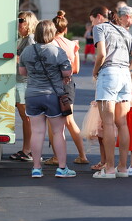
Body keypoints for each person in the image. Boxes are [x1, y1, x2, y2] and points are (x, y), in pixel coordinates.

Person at [18, 20, 76, 178]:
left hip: (32, 95)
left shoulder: (27, 51)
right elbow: (67, 72)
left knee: (37, 132)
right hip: (52, 95)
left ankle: (36, 168)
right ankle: (62, 168)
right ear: (52, 33)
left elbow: (22, 72)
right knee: (58, 132)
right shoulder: (57, 51)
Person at [90, 6, 132, 179]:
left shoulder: (99, 28)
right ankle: (123, 168)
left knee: (108, 124)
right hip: (125, 75)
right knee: (122, 123)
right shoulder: (124, 30)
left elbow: (101, 54)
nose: (92, 23)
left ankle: (110, 168)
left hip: (109, 73)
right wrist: (127, 69)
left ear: (99, 17)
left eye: (92, 20)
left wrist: (95, 71)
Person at [43, 11, 89, 166]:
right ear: (65, 29)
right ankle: (82, 155)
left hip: (53, 84)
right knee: (70, 120)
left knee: (52, 121)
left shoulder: (49, 44)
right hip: (68, 84)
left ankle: (56, 156)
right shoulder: (72, 44)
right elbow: (76, 69)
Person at [10, 11, 38, 162]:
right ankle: (26, 149)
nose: (19, 23)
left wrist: (13, 57)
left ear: (29, 23)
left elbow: (31, 60)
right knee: (25, 118)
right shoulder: (24, 38)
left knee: (27, 118)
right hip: (20, 81)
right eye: (18, 20)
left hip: (25, 82)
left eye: (22, 21)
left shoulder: (30, 39)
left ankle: (28, 150)